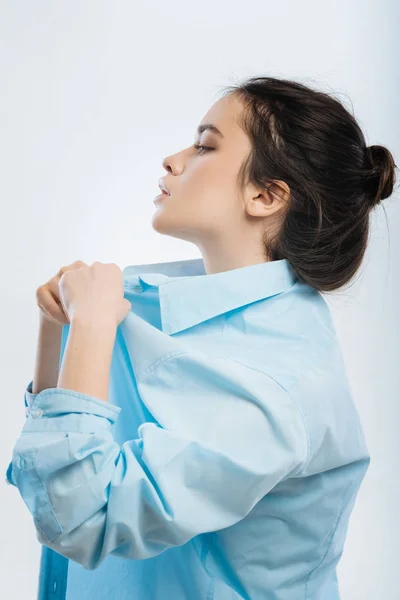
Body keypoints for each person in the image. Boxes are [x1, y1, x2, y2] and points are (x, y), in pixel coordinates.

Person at [6, 76, 398, 600]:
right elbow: (49, 472)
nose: (172, 159)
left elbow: (80, 518)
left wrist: (93, 328)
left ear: (266, 194)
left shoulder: (276, 386)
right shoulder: (154, 304)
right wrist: (58, 329)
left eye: (205, 145)